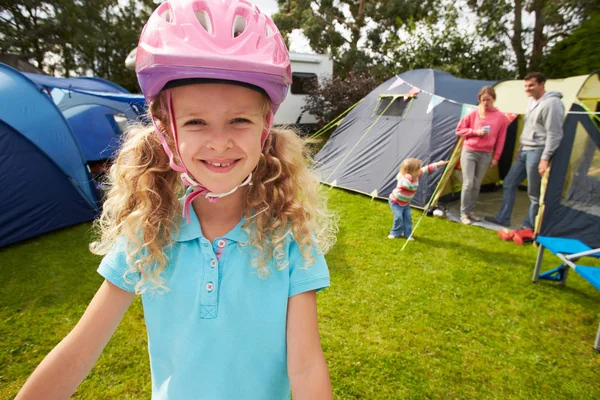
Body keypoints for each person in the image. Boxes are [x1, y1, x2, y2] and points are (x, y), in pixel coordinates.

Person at [15, 1, 337, 399]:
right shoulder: (148, 233)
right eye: (196, 122)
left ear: (265, 128)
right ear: (167, 131)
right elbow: (79, 352)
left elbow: (305, 366)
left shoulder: (289, 238)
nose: (219, 141)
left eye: (239, 120)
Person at [486, 72, 564, 229]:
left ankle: (530, 226)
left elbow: (555, 134)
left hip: (538, 151)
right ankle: (503, 218)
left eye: (531, 85)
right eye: (526, 86)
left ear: (542, 84)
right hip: (525, 150)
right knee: (509, 182)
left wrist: (545, 158)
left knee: (534, 193)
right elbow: (529, 128)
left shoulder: (552, 104)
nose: (527, 89)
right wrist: (521, 147)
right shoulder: (531, 102)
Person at [456, 86, 508, 225]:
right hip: (470, 151)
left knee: (477, 184)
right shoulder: (474, 113)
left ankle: (470, 211)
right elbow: (459, 130)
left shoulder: (501, 117)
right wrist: (475, 132)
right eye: (482, 100)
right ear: (479, 100)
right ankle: (463, 214)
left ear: (494, 99)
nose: (485, 103)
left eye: (488, 100)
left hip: (486, 154)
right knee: (468, 183)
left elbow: (501, 138)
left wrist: (496, 157)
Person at [388, 158, 449, 239]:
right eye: (417, 169)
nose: (419, 170)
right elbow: (406, 185)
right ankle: (395, 233)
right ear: (410, 171)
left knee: (408, 218)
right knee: (399, 217)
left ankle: (407, 234)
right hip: (395, 202)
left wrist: (438, 164)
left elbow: (426, 168)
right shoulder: (402, 178)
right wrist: (408, 177)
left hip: (405, 203)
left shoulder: (416, 174)